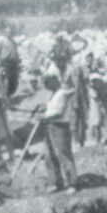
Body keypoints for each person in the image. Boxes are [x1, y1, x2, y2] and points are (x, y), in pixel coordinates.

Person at [39, 65, 77, 194]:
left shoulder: (62, 93)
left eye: (48, 82)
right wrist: (45, 108)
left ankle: (72, 183)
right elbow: (51, 109)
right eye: (45, 82)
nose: (46, 85)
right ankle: (55, 182)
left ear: (55, 80)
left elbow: (59, 113)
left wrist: (45, 116)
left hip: (60, 126)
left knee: (63, 154)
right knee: (49, 155)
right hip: (49, 125)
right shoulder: (53, 94)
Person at [0, 26, 21, 100]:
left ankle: (10, 95)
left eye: (11, 32)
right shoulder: (1, 40)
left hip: (14, 63)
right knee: (6, 80)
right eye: (8, 32)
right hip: (5, 63)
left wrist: (18, 61)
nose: (10, 33)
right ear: (5, 32)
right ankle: (5, 97)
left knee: (14, 80)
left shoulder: (13, 41)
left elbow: (16, 51)